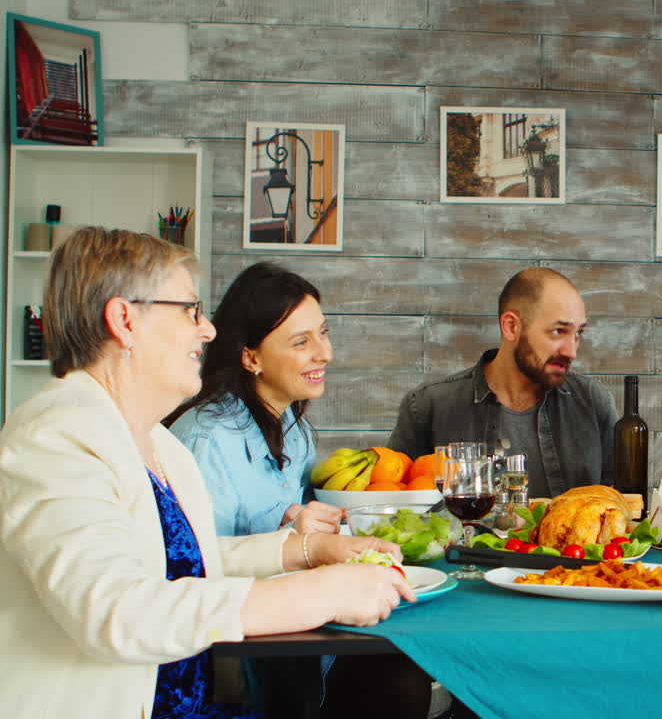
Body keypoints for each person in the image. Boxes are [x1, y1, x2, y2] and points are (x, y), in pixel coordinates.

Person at [0, 227, 414, 719]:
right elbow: (115, 609)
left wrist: (308, 550)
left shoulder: (159, 445)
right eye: (190, 310)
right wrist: (317, 592)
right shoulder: (54, 436)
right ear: (124, 320)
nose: (209, 330)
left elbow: (184, 564)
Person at [388, 267, 618, 499]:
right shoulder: (428, 406)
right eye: (558, 331)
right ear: (511, 327)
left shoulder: (592, 401)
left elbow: (624, 508)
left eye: (578, 333)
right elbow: (392, 504)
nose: (571, 351)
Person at [168, 262, 342, 537]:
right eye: (301, 342)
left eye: (323, 333)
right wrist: (285, 539)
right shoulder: (207, 442)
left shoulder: (297, 430)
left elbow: (304, 526)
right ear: (251, 358)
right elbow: (196, 566)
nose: (325, 354)